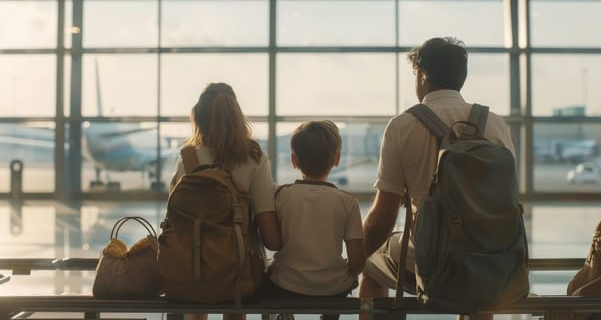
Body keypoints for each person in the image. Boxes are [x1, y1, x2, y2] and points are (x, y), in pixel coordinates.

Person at [358, 37, 516, 320]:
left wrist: (352, 261)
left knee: (371, 261)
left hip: (432, 264)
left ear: (423, 75)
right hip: (491, 261)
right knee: (477, 283)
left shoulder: (402, 126)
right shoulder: (495, 124)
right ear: (461, 77)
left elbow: (382, 220)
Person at [170, 82, 282, 320]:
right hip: (239, 272)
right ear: (236, 117)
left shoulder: (187, 160)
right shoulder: (253, 158)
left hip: (192, 269)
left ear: (198, 119)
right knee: (235, 292)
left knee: (196, 293)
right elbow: (270, 236)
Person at [264, 120, 366, 320]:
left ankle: (284, 315)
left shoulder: (280, 195)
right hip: (332, 288)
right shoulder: (347, 202)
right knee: (343, 278)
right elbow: (357, 262)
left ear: (294, 160)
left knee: (271, 271)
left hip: (286, 285)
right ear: (336, 158)